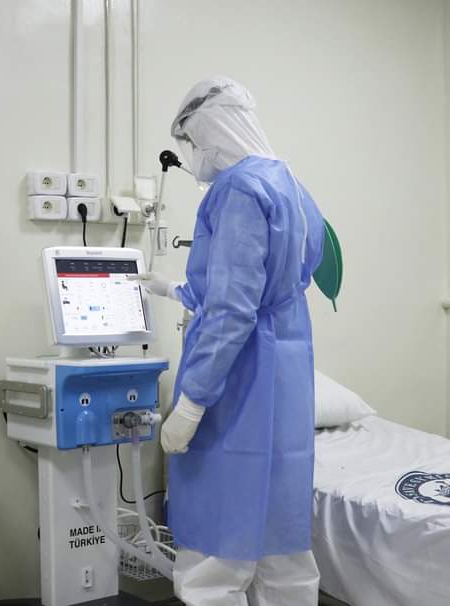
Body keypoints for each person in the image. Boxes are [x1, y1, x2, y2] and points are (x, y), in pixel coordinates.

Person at [132, 77, 324, 606]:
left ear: (211, 132)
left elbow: (233, 310)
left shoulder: (237, 187)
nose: (194, 156)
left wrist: (192, 402)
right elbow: (266, 285)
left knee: (215, 556)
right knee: (282, 552)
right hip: (284, 375)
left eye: (192, 142)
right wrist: (173, 288)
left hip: (238, 380)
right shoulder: (291, 185)